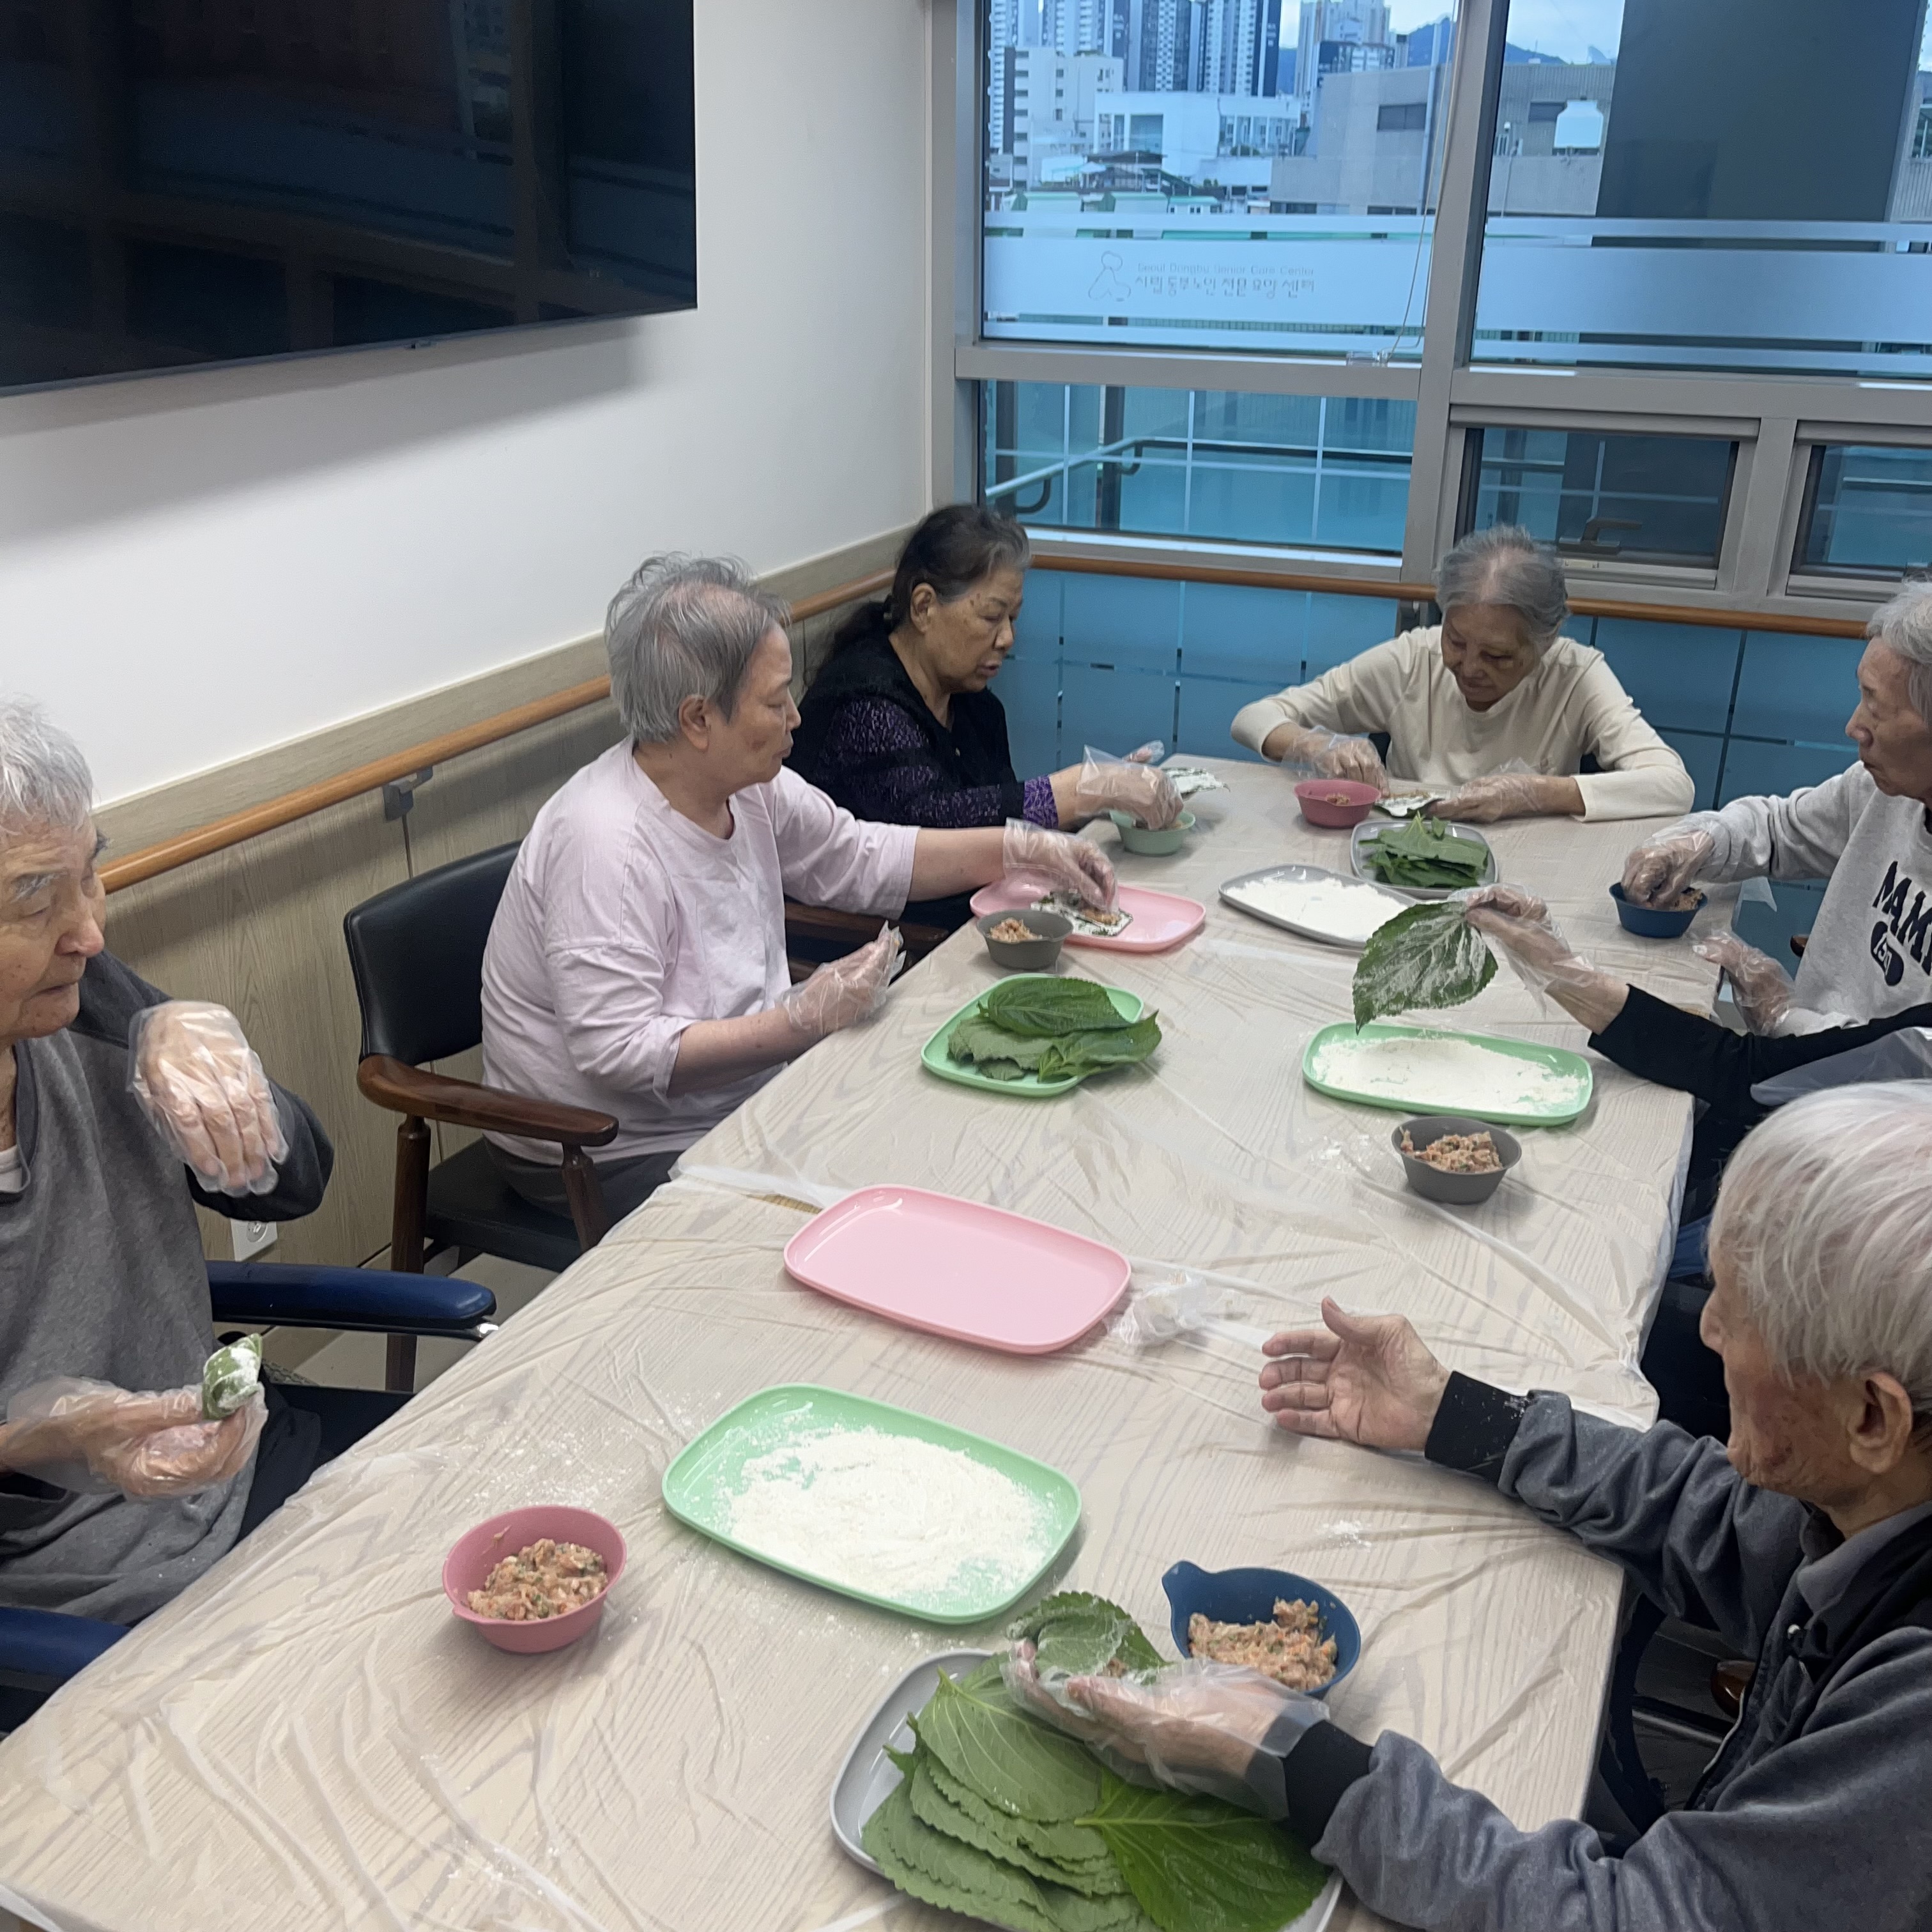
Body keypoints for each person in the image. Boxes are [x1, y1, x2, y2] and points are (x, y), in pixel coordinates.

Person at [1013, 1084, 1932, 1932]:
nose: (1707, 1328)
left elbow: (1642, 1918)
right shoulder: (1881, 1499)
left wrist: (1292, 1756)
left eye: (1739, 1312)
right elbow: (1713, 1517)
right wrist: (1452, 1414)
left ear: (1871, 1416)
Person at [480, 553, 1117, 1222]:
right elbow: (620, 1054)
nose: (796, 717)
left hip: (739, 1096)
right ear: (698, 720)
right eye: (774, 700)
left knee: (946, 1139)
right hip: (605, 1147)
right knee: (879, 1205)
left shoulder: (748, 786)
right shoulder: (605, 842)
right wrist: (799, 1021)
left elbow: (859, 855)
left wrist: (1020, 847)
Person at [0, 698, 399, 1629]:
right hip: (70, 1594)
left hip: (245, 1470)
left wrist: (224, 1071)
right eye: (34, 900)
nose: (89, 933)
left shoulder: (88, 1002)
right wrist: (36, 1441)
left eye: (90, 876)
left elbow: (298, 1185)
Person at [787, 506, 1180, 927]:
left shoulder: (974, 704)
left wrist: (1098, 799)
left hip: (977, 916)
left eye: (1013, 619)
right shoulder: (864, 706)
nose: (1007, 638)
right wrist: (1083, 789)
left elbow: (1001, 817)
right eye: (992, 617)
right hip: (892, 939)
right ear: (924, 607)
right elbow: (934, 828)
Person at [1620, 579, 1932, 1030]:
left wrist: (1786, 1017)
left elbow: (1908, 1065)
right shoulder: (1881, 790)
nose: (1854, 727)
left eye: (1877, 708)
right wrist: (1699, 843)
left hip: (1847, 1071)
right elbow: (1779, 829)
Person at [1229, 525, 1694, 822]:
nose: (1469, 668)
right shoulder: (1413, 658)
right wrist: (1318, 745)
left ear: (1546, 640)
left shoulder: (1576, 674)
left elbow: (1673, 786)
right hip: (1401, 851)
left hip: (1528, 864)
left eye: (1497, 656)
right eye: (1455, 641)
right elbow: (1252, 718)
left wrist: (1534, 794)